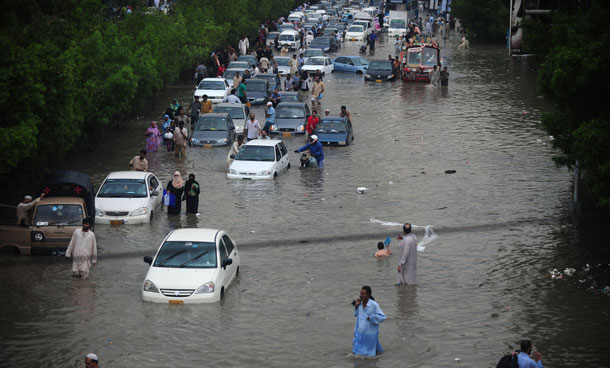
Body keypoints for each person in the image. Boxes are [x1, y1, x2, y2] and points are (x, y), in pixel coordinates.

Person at [352, 286, 386, 357]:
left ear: (368, 295)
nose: (361, 295)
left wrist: (371, 317)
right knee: (357, 355)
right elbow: (355, 314)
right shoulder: (360, 304)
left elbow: (383, 317)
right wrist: (356, 306)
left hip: (369, 334)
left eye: (363, 294)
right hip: (360, 333)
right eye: (360, 293)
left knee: (369, 356)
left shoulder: (373, 305)